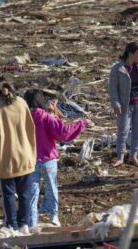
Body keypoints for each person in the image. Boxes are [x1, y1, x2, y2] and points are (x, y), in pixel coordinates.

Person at [24, 89, 92, 227]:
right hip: (48, 160)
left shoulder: (23, 120)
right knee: (51, 188)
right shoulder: (47, 118)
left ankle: (31, 221)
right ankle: (53, 216)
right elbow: (64, 134)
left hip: (30, 161)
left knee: (32, 192)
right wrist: (82, 123)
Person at [0, 76, 36, 233]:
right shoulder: (22, 103)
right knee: (25, 194)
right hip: (25, 156)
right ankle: (24, 225)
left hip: (6, 159)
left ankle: (11, 226)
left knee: (9, 195)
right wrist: (31, 153)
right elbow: (30, 129)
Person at [109, 42, 138, 168]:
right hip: (125, 105)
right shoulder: (118, 69)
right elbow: (113, 88)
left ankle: (133, 155)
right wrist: (116, 104)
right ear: (130, 53)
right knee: (123, 131)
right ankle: (120, 157)